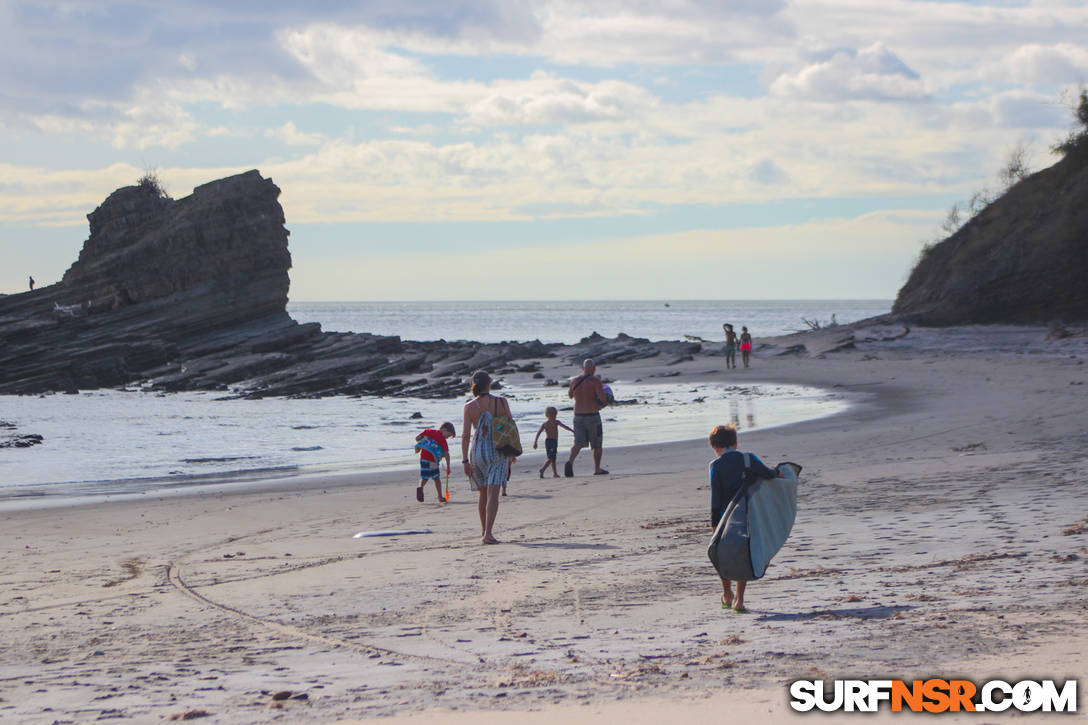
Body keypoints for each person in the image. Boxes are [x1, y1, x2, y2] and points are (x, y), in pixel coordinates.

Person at [708, 424, 781, 613]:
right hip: (748, 516)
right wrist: (779, 473)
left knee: (722, 554)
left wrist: (715, 524)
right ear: (736, 444)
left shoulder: (715, 465)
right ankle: (739, 600)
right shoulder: (749, 459)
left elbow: (716, 497)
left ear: (715, 447)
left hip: (725, 518)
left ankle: (726, 594)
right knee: (743, 553)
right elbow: (768, 473)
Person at [462, 370, 512, 544]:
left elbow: (466, 435)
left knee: (483, 494)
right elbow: (508, 427)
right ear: (489, 383)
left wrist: (465, 460)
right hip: (497, 449)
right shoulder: (501, 402)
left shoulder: (469, 406)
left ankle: (484, 530)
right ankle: (488, 533)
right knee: (493, 493)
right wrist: (512, 453)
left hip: (477, 451)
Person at [564, 358, 610, 477]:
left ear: (583, 369)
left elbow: (570, 395)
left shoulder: (574, 381)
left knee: (578, 443)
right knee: (597, 444)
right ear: (594, 369)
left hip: (578, 415)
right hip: (592, 415)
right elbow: (603, 399)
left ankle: (570, 461)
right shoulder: (595, 381)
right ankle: (597, 468)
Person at [414, 422, 455, 503]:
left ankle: (420, 487)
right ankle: (440, 497)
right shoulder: (442, 440)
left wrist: (421, 439)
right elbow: (447, 454)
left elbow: (417, 438)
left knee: (424, 476)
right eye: (448, 435)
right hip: (433, 460)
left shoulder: (429, 431)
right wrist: (448, 466)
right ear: (444, 430)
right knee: (436, 478)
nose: (447, 438)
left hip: (423, 458)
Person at [533, 406, 573, 478]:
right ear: (547, 415)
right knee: (551, 458)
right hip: (549, 442)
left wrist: (572, 431)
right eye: (552, 415)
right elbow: (538, 433)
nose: (553, 417)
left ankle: (555, 473)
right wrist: (535, 442)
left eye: (555, 415)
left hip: (554, 442)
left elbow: (565, 427)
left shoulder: (556, 422)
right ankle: (543, 469)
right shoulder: (545, 424)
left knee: (553, 458)